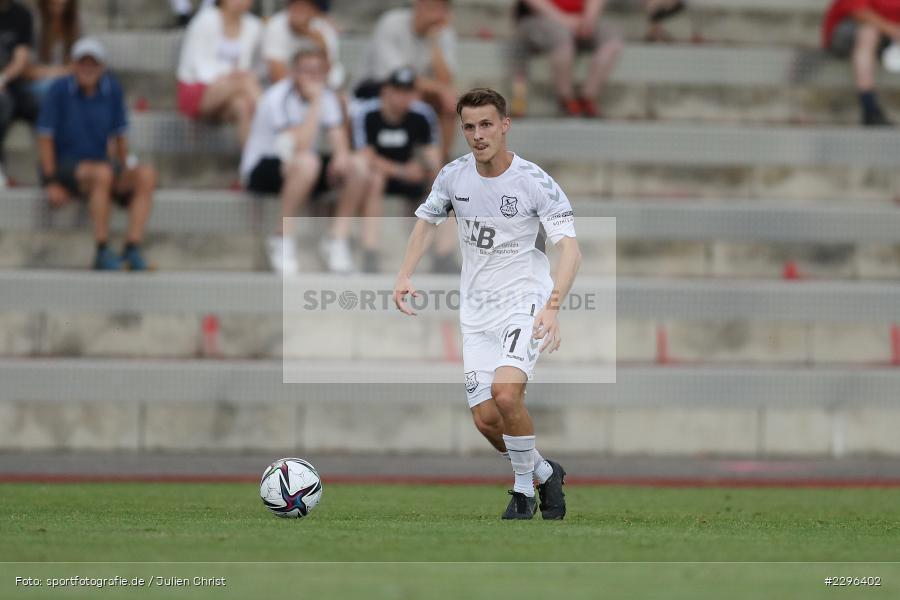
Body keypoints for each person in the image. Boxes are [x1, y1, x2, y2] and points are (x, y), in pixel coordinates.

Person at [393, 88, 582, 520]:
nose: (478, 135)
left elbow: (570, 251)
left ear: (504, 126)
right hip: (477, 312)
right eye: (469, 127)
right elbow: (425, 222)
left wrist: (552, 307)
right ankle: (545, 472)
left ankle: (523, 492)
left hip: (524, 302)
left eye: (486, 125)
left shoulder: (534, 182)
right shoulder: (453, 176)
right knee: (486, 419)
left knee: (506, 394)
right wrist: (404, 274)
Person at [240, 45, 369, 275]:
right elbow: (296, 145)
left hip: (300, 167)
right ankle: (282, 237)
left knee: (358, 166)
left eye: (318, 71)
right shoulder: (277, 97)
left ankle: (336, 240)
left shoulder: (327, 96)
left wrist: (341, 157)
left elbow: (338, 138)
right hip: (264, 166)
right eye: (306, 70)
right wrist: (316, 103)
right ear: (294, 72)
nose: (313, 77)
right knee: (307, 162)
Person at [36, 37, 157, 271]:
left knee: (146, 175)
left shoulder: (112, 89)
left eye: (93, 63)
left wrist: (125, 168)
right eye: (83, 62)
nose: (87, 68)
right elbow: (45, 137)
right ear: (73, 64)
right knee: (102, 174)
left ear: (102, 67)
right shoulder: (59, 90)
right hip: (67, 165)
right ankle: (102, 248)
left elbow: (120, 135)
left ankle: (132, 246)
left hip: (101, 166)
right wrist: (50, 181)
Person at [353, 67, 444, 273]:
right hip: (381, 175)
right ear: (386, 91)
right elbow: (365, 156)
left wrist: (423, 167)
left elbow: (433, 155)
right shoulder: (367, 113)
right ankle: (370, 251)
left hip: (412, 174)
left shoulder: (422, 114)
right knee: (374, 179)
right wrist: (401, 170)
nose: (403, 97)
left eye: (408, 91)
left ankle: (443, 253)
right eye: (398, 91)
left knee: (446, 183)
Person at [354, 0, 457, 159]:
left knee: (451, 102)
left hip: (418, 91)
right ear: (418, 4)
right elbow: (398, 76)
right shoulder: (391, 23)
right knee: (416, 94)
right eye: (431, 6)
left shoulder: (443, 32)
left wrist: (434, 43)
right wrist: (441, 89)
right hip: (377, 88)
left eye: (441, 8)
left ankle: (442, 166)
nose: (436, 14)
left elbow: (446, 80)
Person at [511, 0, 623, 118]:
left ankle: (587, 97)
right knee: (560, 35)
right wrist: (564, 20)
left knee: (612, 36)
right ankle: (566, 99)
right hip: (539, 18)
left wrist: (588, 20)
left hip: (579, 20)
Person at [176, 0, 262, 145]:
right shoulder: (205, 19)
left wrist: (236, 76)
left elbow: (252, 65)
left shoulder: (254, 26)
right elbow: (199, 67)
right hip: (198, 89)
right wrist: (231, 74)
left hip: (233, 91)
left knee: (243, 106)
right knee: (245, 81)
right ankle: (274, 122)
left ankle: (253, 158)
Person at [823, 0, 900, 126]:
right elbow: (858, 12)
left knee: (871, 33)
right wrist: (891, 29)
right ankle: (869, 106)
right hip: (848, 32)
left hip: (886, 37)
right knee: (868, 32)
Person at [262, 0, 343, 90]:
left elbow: (330, 71)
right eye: (296, 5)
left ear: (315, 10)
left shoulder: (324, 27)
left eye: (305, 6)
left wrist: (321, 43)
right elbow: (277, 75)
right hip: (286, 90)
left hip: (318, 88)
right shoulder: (277, 25)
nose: (299, 11)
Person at [0, 0, 38, 188]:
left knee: (40, 105)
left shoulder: (22, 14)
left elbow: (21, 58)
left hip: (13, 83)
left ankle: (49, 171)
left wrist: (2, 79)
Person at [26, 0, 81, 104]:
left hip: (68, 79)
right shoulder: (34, 20)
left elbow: (79, 62)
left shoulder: (75, 22)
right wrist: (60, 72)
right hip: (38, 83)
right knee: (53, 89)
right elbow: (27, 70)